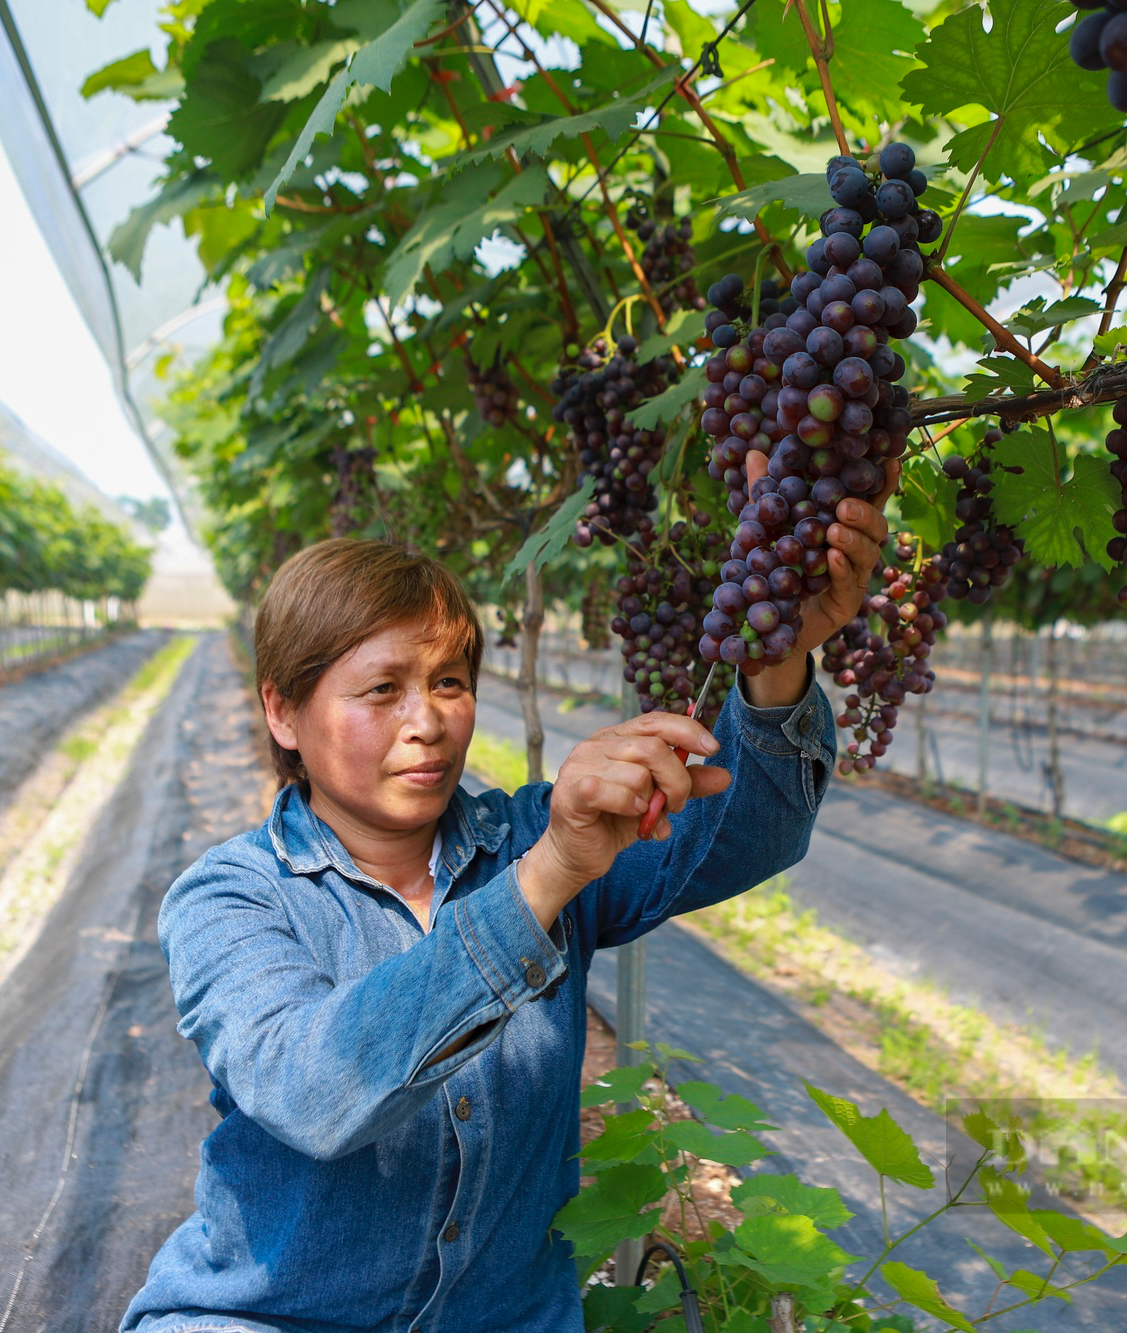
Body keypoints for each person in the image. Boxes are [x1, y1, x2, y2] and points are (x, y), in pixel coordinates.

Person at [121, 495, 891, 1333]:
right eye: (381, 689)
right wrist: (547, 874)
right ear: (282, 712)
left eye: (448, 682)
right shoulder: (231, 895)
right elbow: (314, 1092)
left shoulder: (528, 833)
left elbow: (744, 837)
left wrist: (773, 664)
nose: (427, 723)